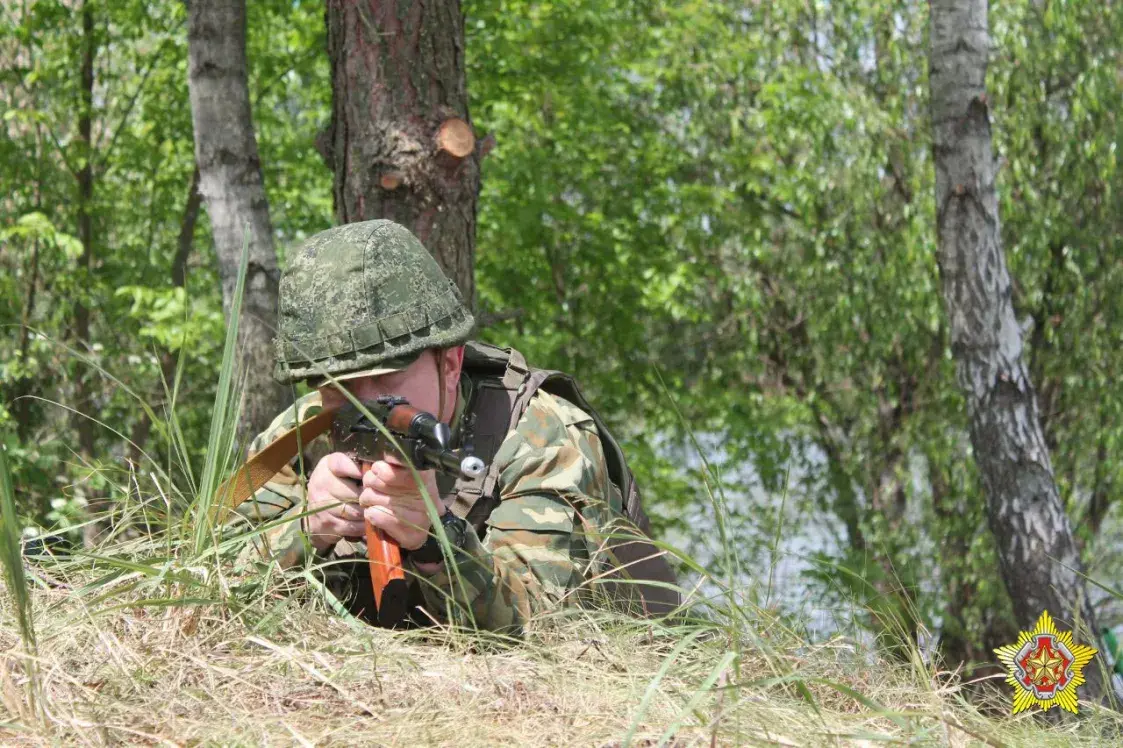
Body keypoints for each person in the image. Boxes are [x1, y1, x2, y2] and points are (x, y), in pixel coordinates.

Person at [231, 219, 677, 632]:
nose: (362, 406)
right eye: (337, 385)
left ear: (450, 362)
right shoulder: (303, 429)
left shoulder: (543, 435)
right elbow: (211, 588)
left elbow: (544, 626)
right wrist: (309, 530)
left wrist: (438, 542)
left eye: (387, 378)